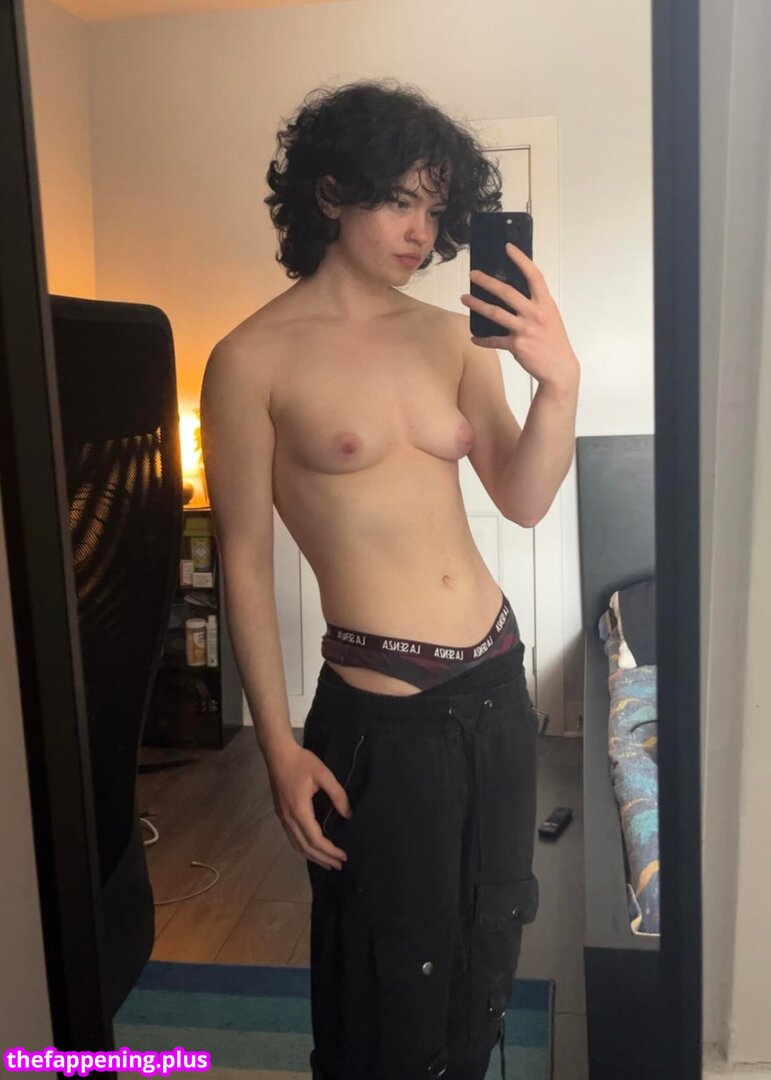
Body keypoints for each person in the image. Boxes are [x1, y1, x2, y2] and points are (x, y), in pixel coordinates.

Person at [201, 78, 580, 1080]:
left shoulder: (451, 335)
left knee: (490, 936)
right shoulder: (249, 358)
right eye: (401, 200)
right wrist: (276, 747)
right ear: (331, 192)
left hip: (494, 683)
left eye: (436, 207)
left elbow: (523, 496)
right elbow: (242, 558)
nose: (423, 231)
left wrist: (559, 383)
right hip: (383, 711)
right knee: (385, 970)